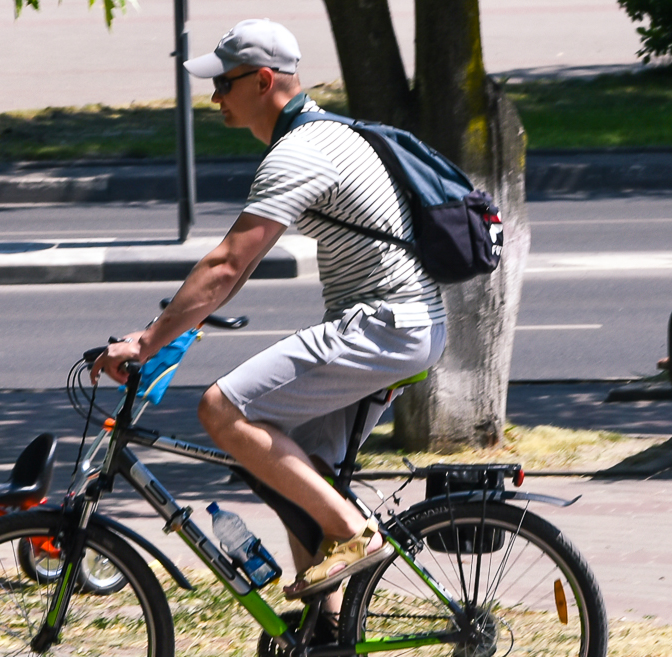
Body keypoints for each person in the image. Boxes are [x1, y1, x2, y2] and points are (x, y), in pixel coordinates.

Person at [91, 18, 447, 600]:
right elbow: (233, 272)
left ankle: (356, 533)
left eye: (223, 84)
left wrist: (148, 341)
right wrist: (168, 325)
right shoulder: (325, 134)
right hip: (404, 324)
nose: (214, 97)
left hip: (387, 324)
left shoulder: (302, 151)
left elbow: (229, 263)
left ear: (262, 82)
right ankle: (324, 627)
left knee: (221, 408)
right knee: (295, 468)